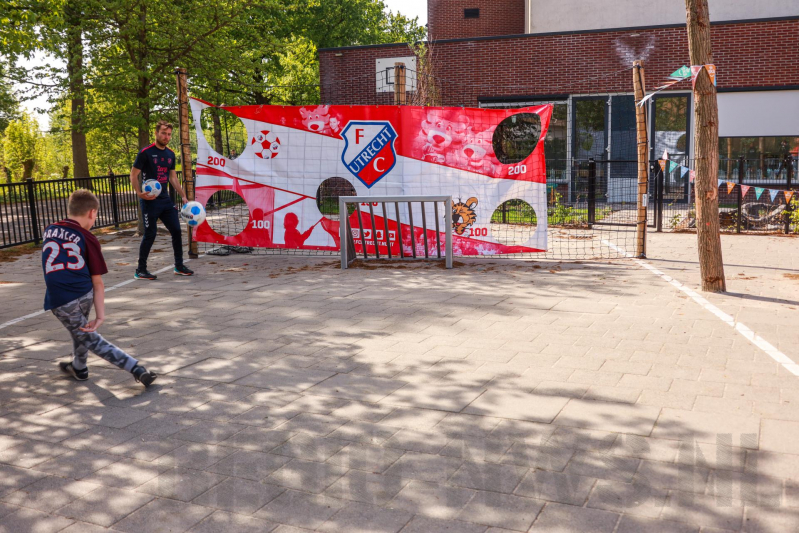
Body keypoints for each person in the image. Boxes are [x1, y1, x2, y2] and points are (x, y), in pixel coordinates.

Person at [43, 189, 156, 386]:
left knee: (83, 333)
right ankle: (132, 368)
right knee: (87, 335)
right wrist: (101, 316)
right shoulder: (87, 238)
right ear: (92, 213)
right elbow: (98, 283)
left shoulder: (49, 230)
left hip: (60, 298)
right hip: (83, 293)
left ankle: (85, 368)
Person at [130, 119, 194, 280]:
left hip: (165, 201)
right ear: (156, 133)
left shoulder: (170, 154)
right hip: (150, 200)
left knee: (177, 231)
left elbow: (172, 177)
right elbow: (133, 174)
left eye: (169, 134)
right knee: (150, 233)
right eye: (164, 133)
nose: (166, 137)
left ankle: (179, 266)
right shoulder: (145, 152)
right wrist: (139, 192)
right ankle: (141, 269)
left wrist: (183, 195)